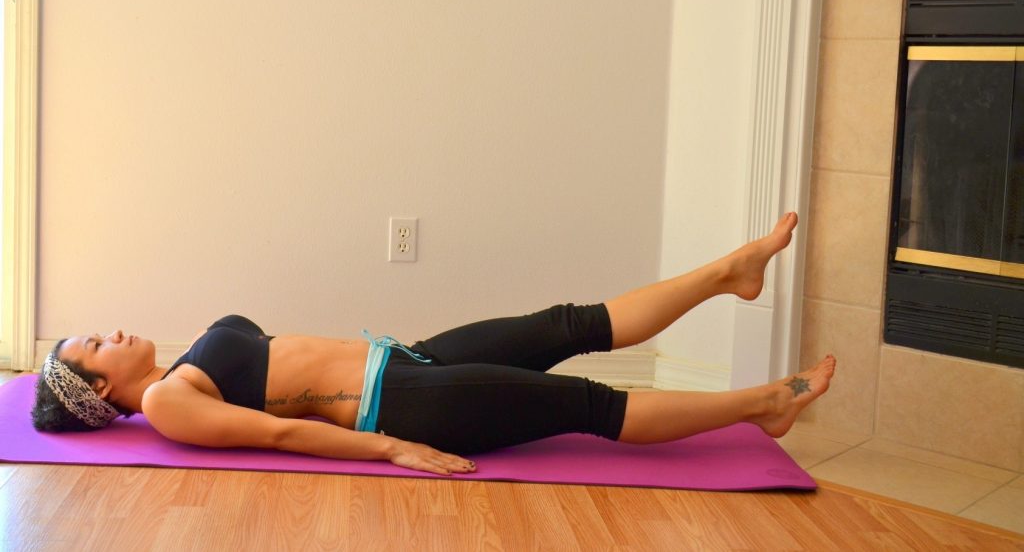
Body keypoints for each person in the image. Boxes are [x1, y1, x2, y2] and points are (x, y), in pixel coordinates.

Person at [32, 212, 835, 476]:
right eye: (94, 345)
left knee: (570, 323)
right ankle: (765, 407)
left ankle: (730, 272)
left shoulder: (178, 371)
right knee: (588, 404)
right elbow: (279, 434)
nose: (112, 331)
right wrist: (392, 451)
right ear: (97, 390)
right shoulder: (171, 402)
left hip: (412, 359)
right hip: (409, 401)